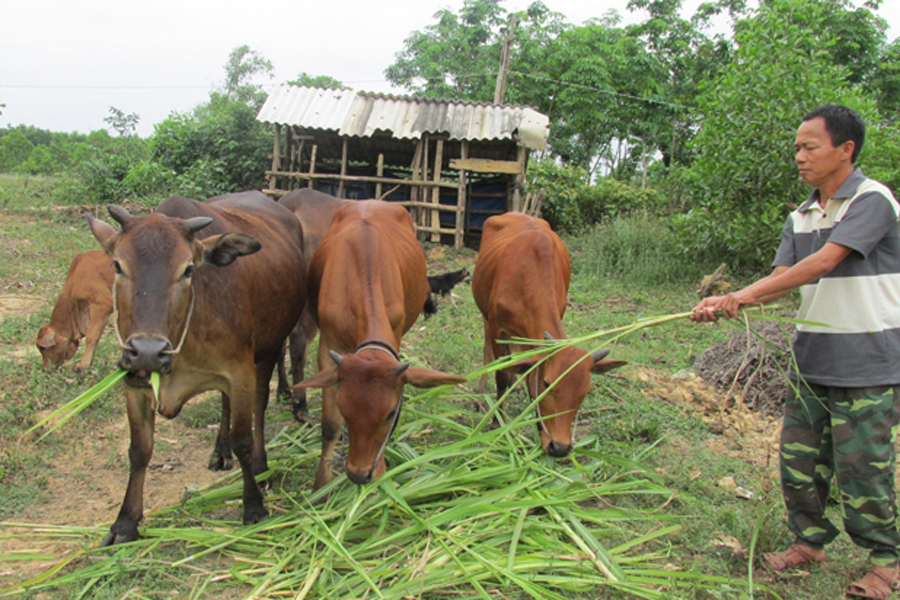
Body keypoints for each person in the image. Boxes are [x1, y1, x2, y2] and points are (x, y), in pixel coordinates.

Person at [693, 104, 900, 599]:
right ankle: (808, 543)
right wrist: (727, 302)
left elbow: (825, 262)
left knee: (863, 468)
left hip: (867, 362)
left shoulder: (873, 200)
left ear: (845, 149)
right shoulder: (800, 216)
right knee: (799, 462)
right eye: (796, 148)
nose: (799, 157)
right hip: (812, 362)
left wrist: (743, 295)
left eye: (810, 147)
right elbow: (782, 281)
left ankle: (885, 562)